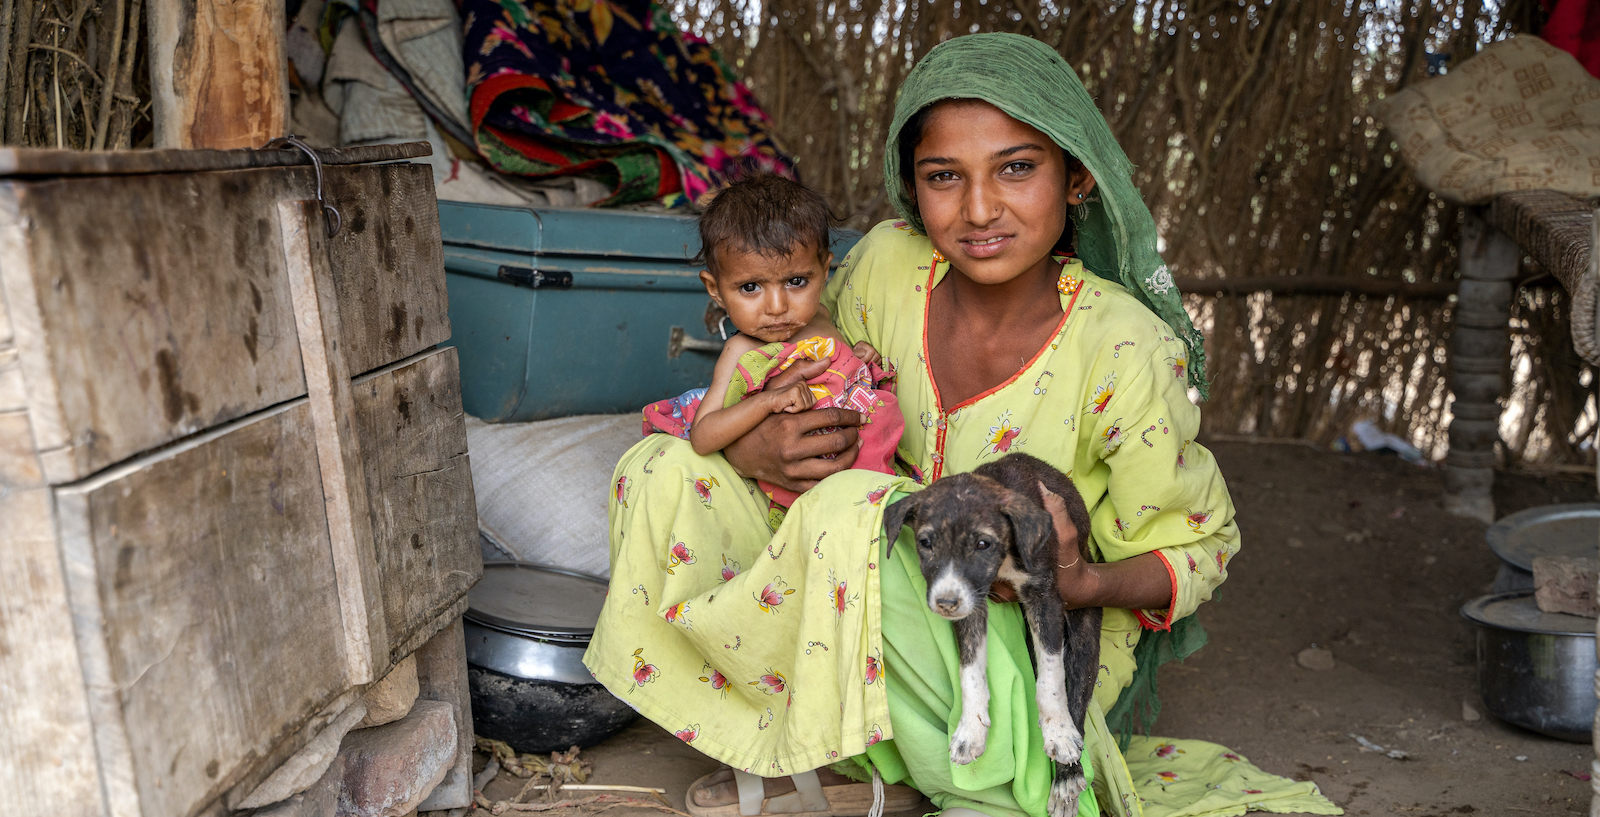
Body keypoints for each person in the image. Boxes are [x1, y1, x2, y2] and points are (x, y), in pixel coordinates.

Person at [586, 33, 1339, 817]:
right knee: (663, 468)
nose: (979, 209)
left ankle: (929, 769)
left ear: (1076, 175)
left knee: (860, 512)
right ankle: (813, 744)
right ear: (912, 186)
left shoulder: (1122, 347)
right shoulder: (884, 266)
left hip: (1010, 631)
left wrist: (1082, 581)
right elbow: (804, 376)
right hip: (858, 597)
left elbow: (1201, 546)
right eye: (943, 176)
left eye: (1017, 168)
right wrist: (751, 442)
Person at [639, 174, 902, 511]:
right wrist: (767, 402)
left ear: (824, 272)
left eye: (796, 281)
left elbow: (837, 378)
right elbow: (704, 436)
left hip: (859, 466)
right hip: (799, 483)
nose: (777, 308)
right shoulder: (742, 350)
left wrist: (860, 360)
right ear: (715, 289)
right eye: (750, 287)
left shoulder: (820, 316)